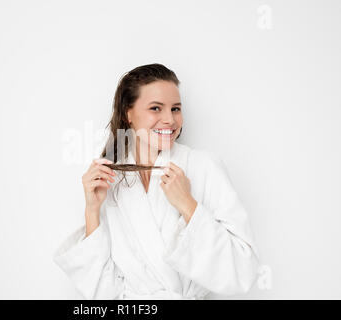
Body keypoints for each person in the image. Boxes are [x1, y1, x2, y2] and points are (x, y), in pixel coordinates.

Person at [53, 63, 260, 299]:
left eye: (175, 109)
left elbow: (243, 272)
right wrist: (92, 210)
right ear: (127, 114)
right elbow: (103, 292)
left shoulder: (203, 167)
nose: (169, 120)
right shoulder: (112, 180)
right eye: (156, 108)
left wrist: (188, 205)